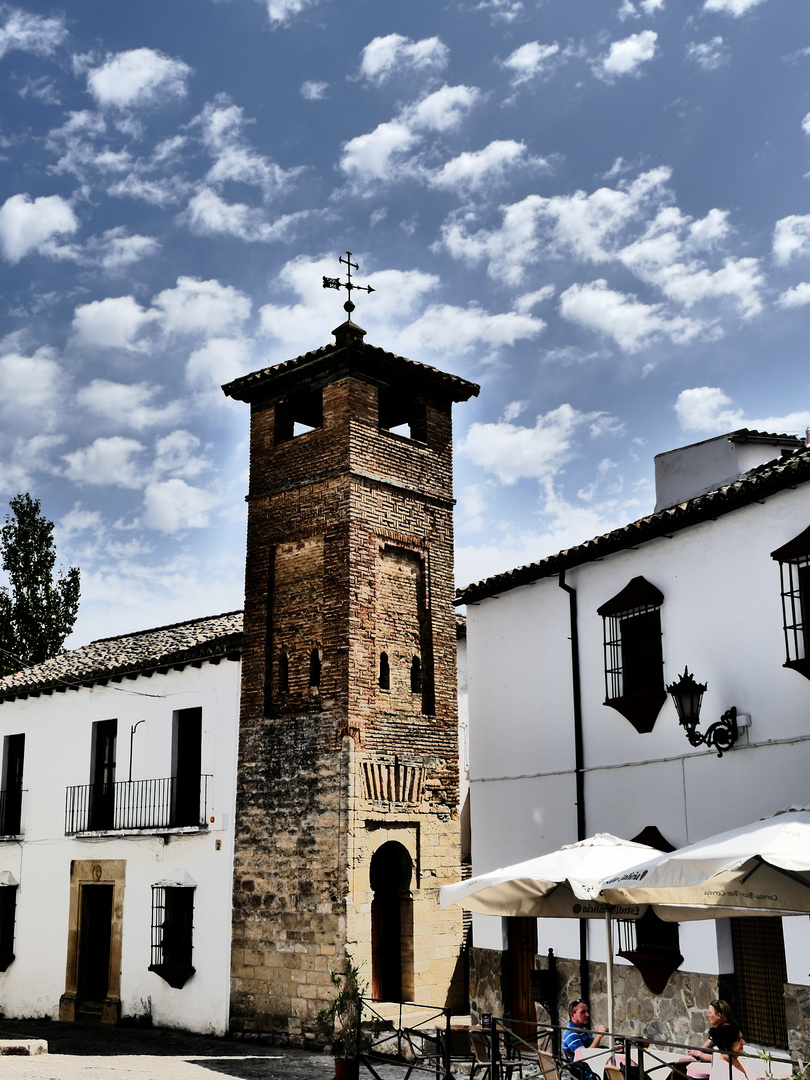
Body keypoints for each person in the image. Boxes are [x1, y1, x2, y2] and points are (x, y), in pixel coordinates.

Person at [563, 999, 608, 1080]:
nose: (587, 1015)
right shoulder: (570, 1034)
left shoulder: (582, 1029)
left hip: (596, 1068)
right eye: (583, 1012)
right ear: (573, 1015)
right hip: (589, 1074)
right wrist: (599, 1036)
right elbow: (585, 1057)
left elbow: (592, 1050)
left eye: (587, 1011)